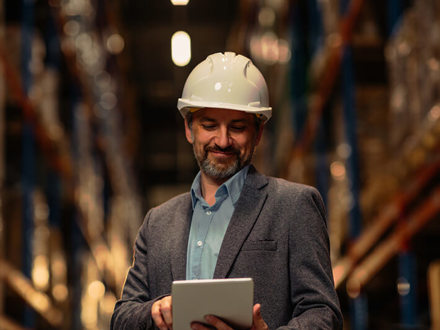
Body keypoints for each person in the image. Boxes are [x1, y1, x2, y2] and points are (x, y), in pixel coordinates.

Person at [111, 52, 343, 329]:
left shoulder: (294, 206)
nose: (222, 141)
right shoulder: (157, 223)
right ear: (189, 129)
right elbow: (122, 318)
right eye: (209, 125)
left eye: (237, 127)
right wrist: (155, 312)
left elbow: (323, 314)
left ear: (257, 134)